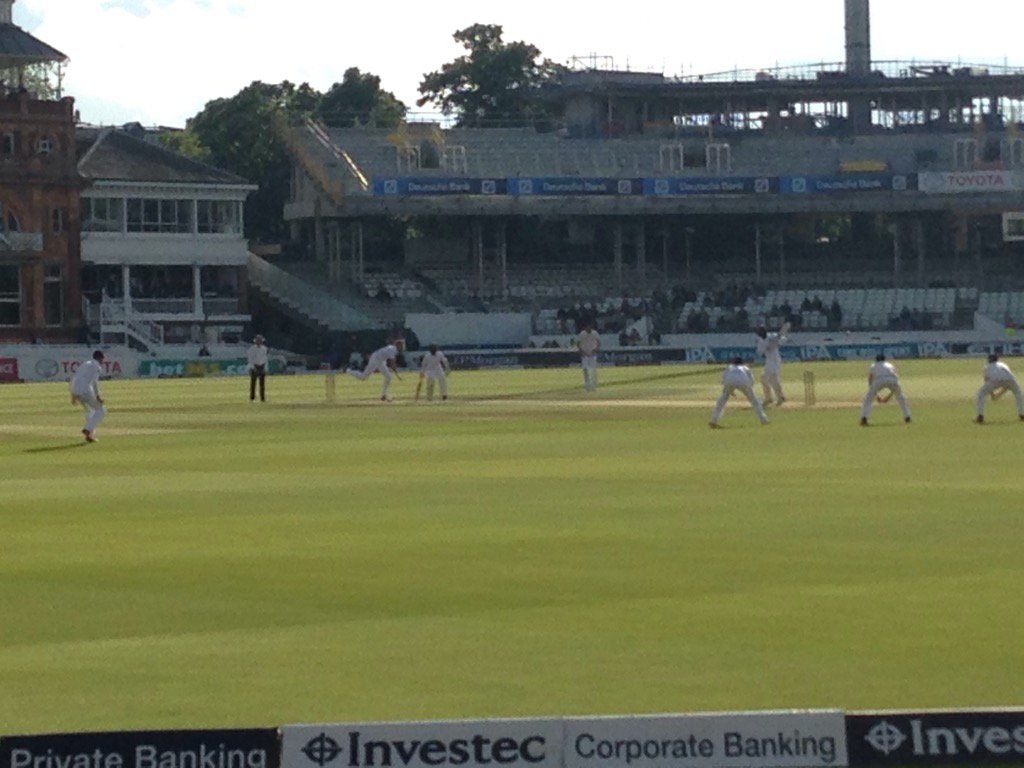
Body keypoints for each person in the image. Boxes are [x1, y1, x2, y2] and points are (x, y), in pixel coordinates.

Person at [710, 357, 769, 428]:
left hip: (729, 382)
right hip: (743, 381)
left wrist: (729, 391)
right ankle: (764, 419)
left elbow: (723, 380)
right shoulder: (746, 368)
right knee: (754, 401)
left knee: (721, 401)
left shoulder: (729, 367)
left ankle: (713, 420)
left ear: (733, 362)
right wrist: (749, 392)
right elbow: (752, 381)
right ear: (742, 363)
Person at [860, 354, 911, 426]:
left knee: (867, 399)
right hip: (893, 380)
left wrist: (876, 396)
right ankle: (907, 416)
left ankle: (864, 418)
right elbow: (896, 380)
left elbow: (870, 380)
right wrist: (889, 396)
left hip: (879, 380)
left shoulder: (873, 365)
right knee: (901, 397)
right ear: (884, 359)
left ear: (876, 360)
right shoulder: (890, 365)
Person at [348, 337, 403, 401]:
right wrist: (395, 369)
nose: (402, 347)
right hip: (375, 359)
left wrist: (394, 368)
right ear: (398, 345)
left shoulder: (392, 348)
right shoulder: (393, 349)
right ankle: (348, 371)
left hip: (380, 360)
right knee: (363, 377)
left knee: (389, 377)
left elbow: (392, 361)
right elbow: (392, 361)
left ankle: (383, 395)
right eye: (401, 346)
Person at [69, 350, 107, 443]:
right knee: (101, 410)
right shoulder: (97, 366)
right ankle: (87, 429)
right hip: (85, 391)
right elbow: (94, 382)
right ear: (100, 358)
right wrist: (98, 396)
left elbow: (75, 378)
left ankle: (90, 435)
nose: (103, 362)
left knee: (91, 411)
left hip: (76, 390)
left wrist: (73, 394)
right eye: (102, 359)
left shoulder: (85, 364)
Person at [975, 353, 1024, 424]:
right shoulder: (1003, 364)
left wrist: (993, 395)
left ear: (989, 360)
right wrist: (998, 394)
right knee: (1019, 394)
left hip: (995, 380)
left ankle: (980, 416)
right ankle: (1022, 414)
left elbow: (986, 381)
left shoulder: (987, 367)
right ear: (997, 359)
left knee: (981, 394)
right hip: (1011, 380)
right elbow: (1007, 383)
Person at [755, 325, 787, 406]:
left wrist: (778, 342)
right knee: (764, 379)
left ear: (764, 331)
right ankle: (769, 398)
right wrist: (767, 347)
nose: (758, 333)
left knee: (773, 379)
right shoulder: (761, 341)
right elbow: (760, 352)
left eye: (760, 331)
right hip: (769, 361)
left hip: (775, 360)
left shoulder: (772, 336)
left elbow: (783, 339)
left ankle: (780, 398)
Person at [576, 322, 601, 392]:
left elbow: (599, 342)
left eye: (590, 327)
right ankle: (587, 385)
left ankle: (593, 386)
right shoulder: (582, 334)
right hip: (585, 355)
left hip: (592, 354)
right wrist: (582, 352)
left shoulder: (595, 333)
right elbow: (578, 344)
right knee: (585, 370)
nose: (589, 328)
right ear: (585, 327)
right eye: (587, 327)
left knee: (593, 370)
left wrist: (596, 349)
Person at [247, 334, 268, 402]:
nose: (259, 342)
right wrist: (252, 367)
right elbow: (250, 359)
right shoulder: (252, 349)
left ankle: (262, 398)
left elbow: (265, 358)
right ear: (256, 341)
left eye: (260, 340)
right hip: (255, 366)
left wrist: (265, 368)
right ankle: (252, 398)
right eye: (258, 340)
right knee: (253, 384)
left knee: (262, 384)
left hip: (262, 366)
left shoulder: (264, 349)